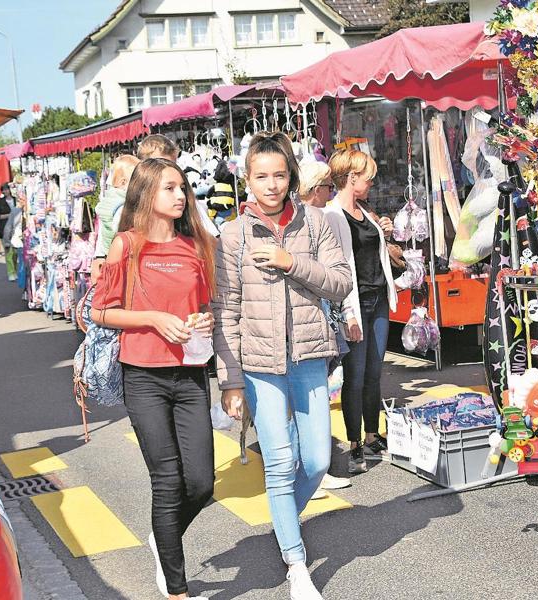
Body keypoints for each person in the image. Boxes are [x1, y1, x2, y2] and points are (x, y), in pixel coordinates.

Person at [213, 132, 351, 600]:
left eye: (278, 175)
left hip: (310, 357)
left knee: (316, 459)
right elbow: (225, 311)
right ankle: (297, 564)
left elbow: (340, 283)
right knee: (279, 461)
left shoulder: (315, 223)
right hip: (257, 364)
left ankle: (282, 519)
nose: (271, 185)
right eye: (261, 176)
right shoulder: (232, 235)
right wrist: (230, 381)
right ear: (247, 180)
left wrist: (291, 261)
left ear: (291, 175)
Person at [91, 158, 217, 600]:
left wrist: (202, 324)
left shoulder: (195, 248)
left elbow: (204, 308)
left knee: (202, 482)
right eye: (170, 188)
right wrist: (153, 319)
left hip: (190, 375)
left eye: (182, 188)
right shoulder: (125, 245)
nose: (181, 196)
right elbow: (99, 310)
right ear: (146, 194)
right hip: (143, 376)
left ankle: (164, 543)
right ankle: (178, 589)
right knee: (167, 479)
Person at [324, 149, 398, 475]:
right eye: (366, 176)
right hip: (354, 304)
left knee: (374, 371)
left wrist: (386, 232)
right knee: (353, 376)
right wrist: (347, 314)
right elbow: (334, 269)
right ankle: (354, 443)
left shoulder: (365, 211)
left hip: (378, 298)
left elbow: (376, 252)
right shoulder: (331, 215)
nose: (371, 182)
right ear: (351, 177)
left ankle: (372, 433)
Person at [298, 160, 353, 497]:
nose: (331, 193)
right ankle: (307, 472)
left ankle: (314, 470)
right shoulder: (307, 220)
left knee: (317, 394)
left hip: (323, 314)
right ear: (315, 188)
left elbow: (337, 275)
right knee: (305, 399)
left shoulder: (318, 218)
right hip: (308, 319)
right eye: (328, 187)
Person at [94, 154, 140, 268]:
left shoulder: (109, 199)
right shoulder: (121, 204)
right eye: (138, 183)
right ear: (124, 183)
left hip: (108, 251)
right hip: (118, 253)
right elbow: (119, 228)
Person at [2, 187, 23, 282]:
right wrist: (6, 241)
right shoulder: (15, 211)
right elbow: (8, 227)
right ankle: (11, 273)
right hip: (15, 238)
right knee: (11, 255)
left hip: (24, 240)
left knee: (19, 259)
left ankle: (16, 273)